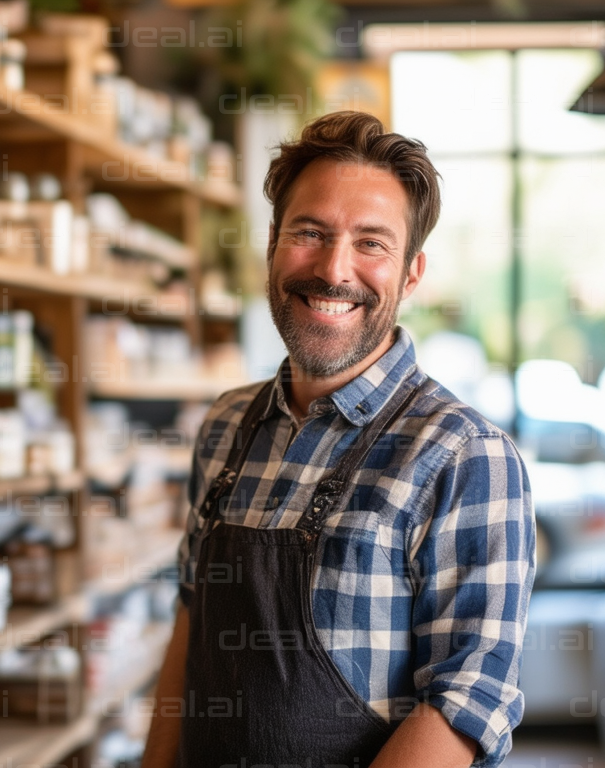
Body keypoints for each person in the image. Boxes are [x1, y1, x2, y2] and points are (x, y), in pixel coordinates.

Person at [140, 111, 536, 768]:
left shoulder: (463, 456)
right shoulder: (225, 427)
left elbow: (466, 702)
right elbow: (192, 626)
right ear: (272, 243)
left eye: (372, 243)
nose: (333, 268)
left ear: (411, 273)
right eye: (310, 232)